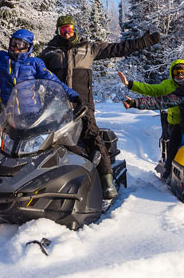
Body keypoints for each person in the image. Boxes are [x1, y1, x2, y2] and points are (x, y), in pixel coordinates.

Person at [39, 15, 161, 199]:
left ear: (75, 29)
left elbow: (118, 48)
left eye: (69, 29)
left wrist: (143, 42)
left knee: (92, 137)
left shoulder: (88, 48)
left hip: (83, 105)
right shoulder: (49, 53)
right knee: (51, 141)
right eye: (63, 30)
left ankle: (107, 181)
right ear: (57, 31)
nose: (66, 33)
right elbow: (29, 69)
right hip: (57, 107)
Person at [0, 18, 81, 116]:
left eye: (20, 44)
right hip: (6, 113)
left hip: (31, 113)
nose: (15, 47)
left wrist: (73, 96)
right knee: (9, 148)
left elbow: (53, 80)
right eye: (13, 43)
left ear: (28, 47)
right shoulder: (1, 58)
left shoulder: (34, 63)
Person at [117, 59, 184, 180]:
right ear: (172, 74)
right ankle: (167, 171)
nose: (180, 75)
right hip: (176, 123)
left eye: (182, 72)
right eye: (177, 72)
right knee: (174, 145)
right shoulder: (168, 85)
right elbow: (151, 89)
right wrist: (130, 84)